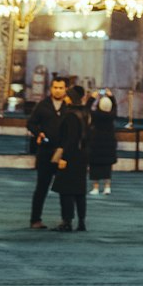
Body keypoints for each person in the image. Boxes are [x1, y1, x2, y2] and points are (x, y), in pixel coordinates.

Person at [26, 73, 68, 229]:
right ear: (51, 88)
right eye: (55, 88)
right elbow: (30, 123)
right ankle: (35, 219)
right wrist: (39, 133)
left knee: (65, 188)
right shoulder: (43, 105)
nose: (58, 91)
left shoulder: (68, 107)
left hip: (63, 153)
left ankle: (66, 220)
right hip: (45, 152)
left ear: (66, 89)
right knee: (42, 187)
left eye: (61, 88)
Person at [51, 84, 91, 232]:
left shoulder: (71, 115)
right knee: (79, 191)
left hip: (71, 156)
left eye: (67, 95)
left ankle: (67, 221)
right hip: (82, 156)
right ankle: (81, 222)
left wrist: (64, 158)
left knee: (66, 191)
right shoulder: (85, 113)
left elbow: (70, 139)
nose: (64, 97)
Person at [88, 91, 118, 196]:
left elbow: (87, 108)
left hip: (96, 143)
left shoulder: (96, 115)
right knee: (107, 167)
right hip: (109, 144)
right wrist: (111, 96)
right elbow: (115, 107)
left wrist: (92, 97)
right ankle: (107, 187)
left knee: (95, 166)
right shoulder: (112, 115)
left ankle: (95, 188)